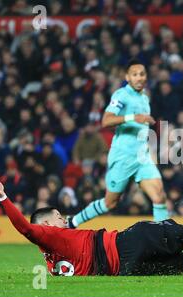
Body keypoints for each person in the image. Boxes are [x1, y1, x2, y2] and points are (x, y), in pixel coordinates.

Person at [0, 174, 183, 277]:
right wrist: (3, 196)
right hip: (129, 242)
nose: (64, 220)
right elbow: (24, 228)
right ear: (47, 224)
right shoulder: (51, 235)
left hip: (126, 269)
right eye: (59, 217)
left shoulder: (52, 266)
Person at [68, 58, 169, 228]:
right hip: (123, 156)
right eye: (135, 74)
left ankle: (166, 238)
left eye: (142, 74)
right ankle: (73, 222)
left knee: (159, 196)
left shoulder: (144, 98)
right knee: (110, 203)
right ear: (127, 77)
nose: (139, 77)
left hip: (142, 157)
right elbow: (106, 120)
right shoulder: (121, 95)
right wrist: (132, 117)